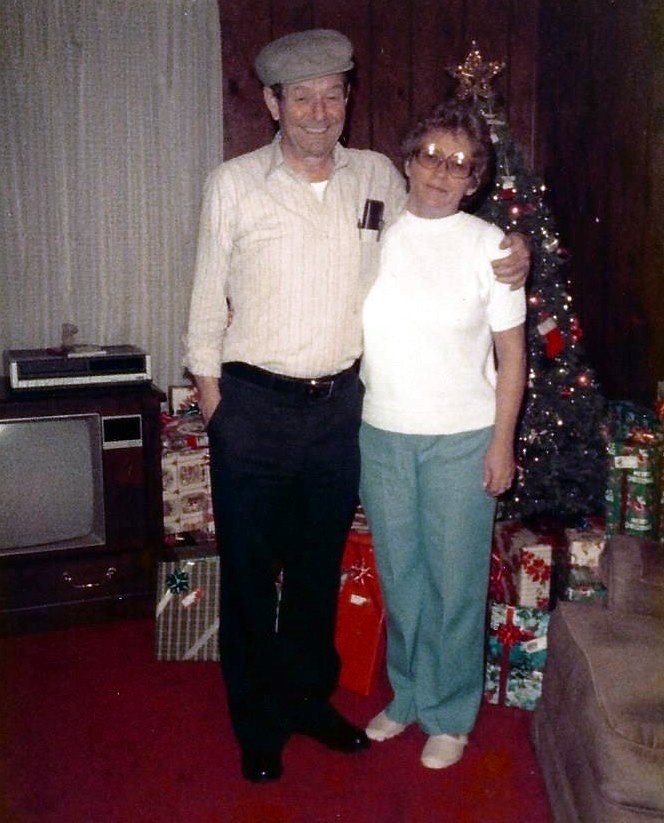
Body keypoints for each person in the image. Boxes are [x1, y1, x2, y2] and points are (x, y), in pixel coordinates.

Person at [184, 29, 530, 784]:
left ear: (347, 100)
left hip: (340, 410)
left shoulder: (375, 176)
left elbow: (446, 223)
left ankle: (309, 702)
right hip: (254, 405)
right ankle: (259, 723)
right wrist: (216, 410)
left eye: (332, 95)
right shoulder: (233, 184)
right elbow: (206, 305)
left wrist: (517, 249)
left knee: (317, 571)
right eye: (301, 97)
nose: (318, 111)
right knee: (250, 574)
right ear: (273, 103)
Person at [359, 98, 527, 770]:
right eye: (432, 155)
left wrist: (501, 443)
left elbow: (513, 355)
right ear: (408, 161)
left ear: (474, 179)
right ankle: (407, 695)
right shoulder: (373, 234)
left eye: (460, 164)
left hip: (463, 437)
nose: (441, 172)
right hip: (382, 433)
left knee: (455, 583)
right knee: (401, 578)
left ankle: (451, 715)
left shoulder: (492, 247)